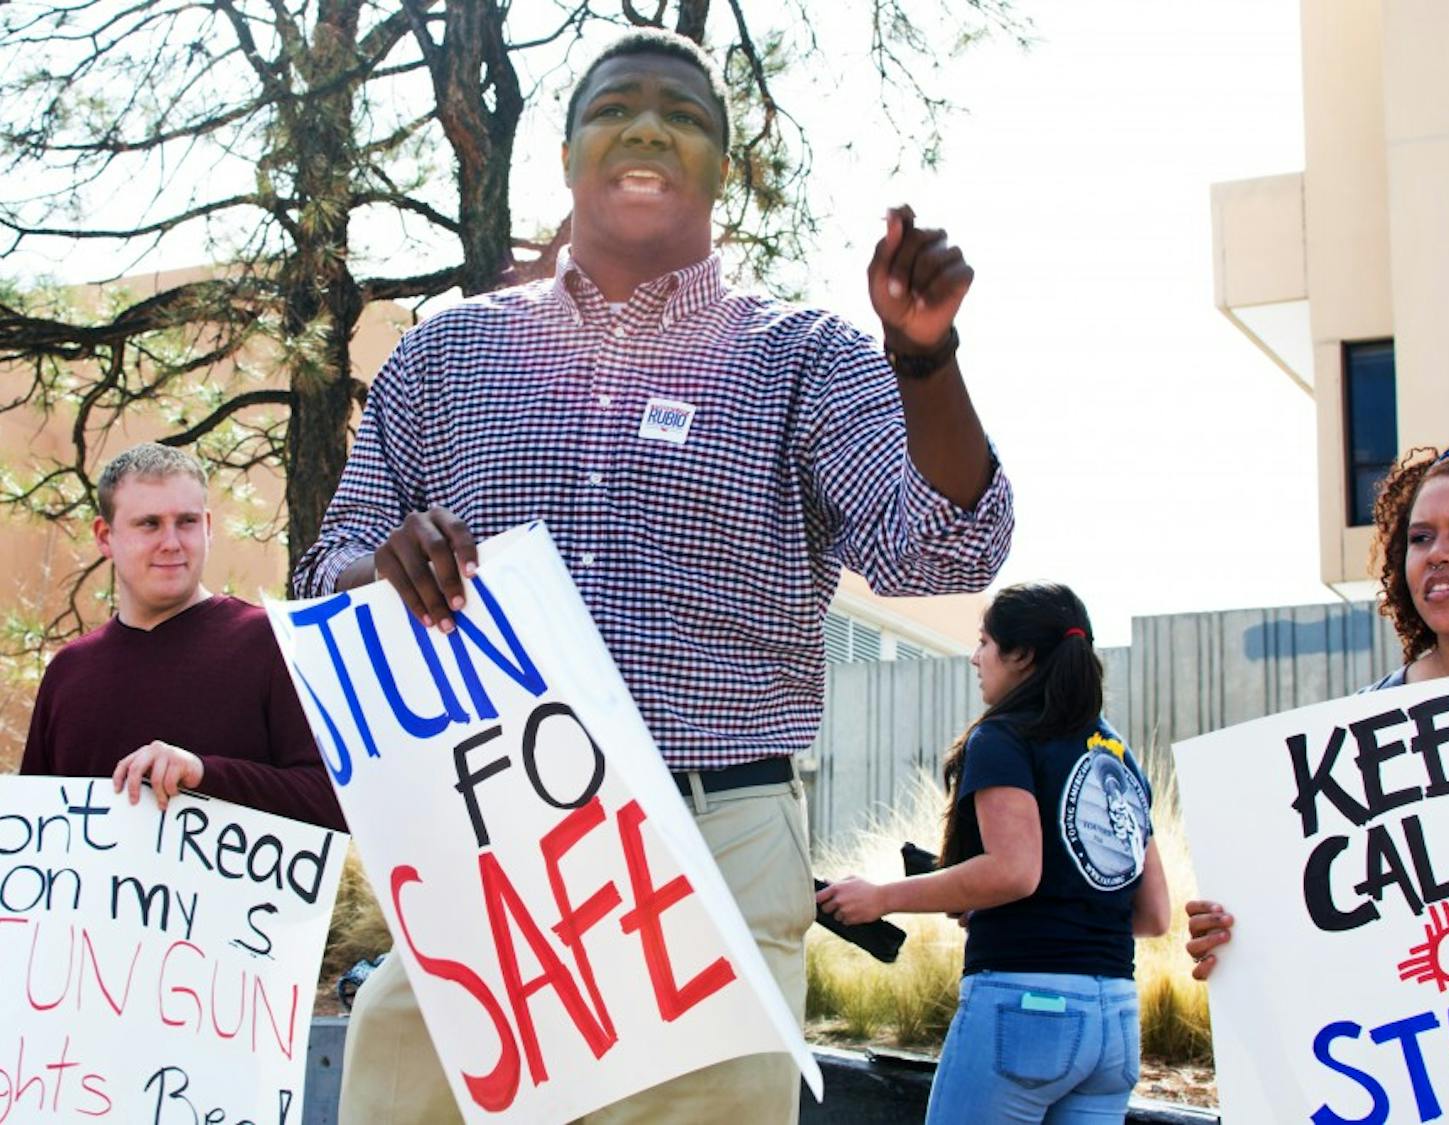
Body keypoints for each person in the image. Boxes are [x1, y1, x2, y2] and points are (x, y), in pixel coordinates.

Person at [292, 28, 1014, 1125]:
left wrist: (923, 359)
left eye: (684, 115)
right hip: (486, 844)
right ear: (570, 153)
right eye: (614, 107)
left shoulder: (806, 355)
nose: (646, 128)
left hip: (711, 840)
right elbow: (322, 573)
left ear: (726, 169)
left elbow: (943, 547)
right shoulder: (448, 354)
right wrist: (376, 565)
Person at [818, 582, 1171, 1125]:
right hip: (1116, 1022)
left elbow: (1013, 871)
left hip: (1024, 1011)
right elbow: (1152, 916)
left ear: (1022, 655)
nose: (974, 657)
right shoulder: (1118, 757)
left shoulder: (1005, 737)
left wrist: (881, 897)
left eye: (984, 642)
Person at [1185, 434, 1449, 978]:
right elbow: (1312, 916)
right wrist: (1235, 933)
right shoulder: (1356, 733)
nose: (1438, 553)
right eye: (1420, 538)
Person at [21, 442, 345, 831]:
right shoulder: (67, 673)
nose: (171, 542)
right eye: (149, 523)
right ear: (105, 536)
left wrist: (204, 775)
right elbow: (33, 830)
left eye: (187, 522)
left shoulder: (271, 642)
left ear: (208, 528)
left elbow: (334, 803)